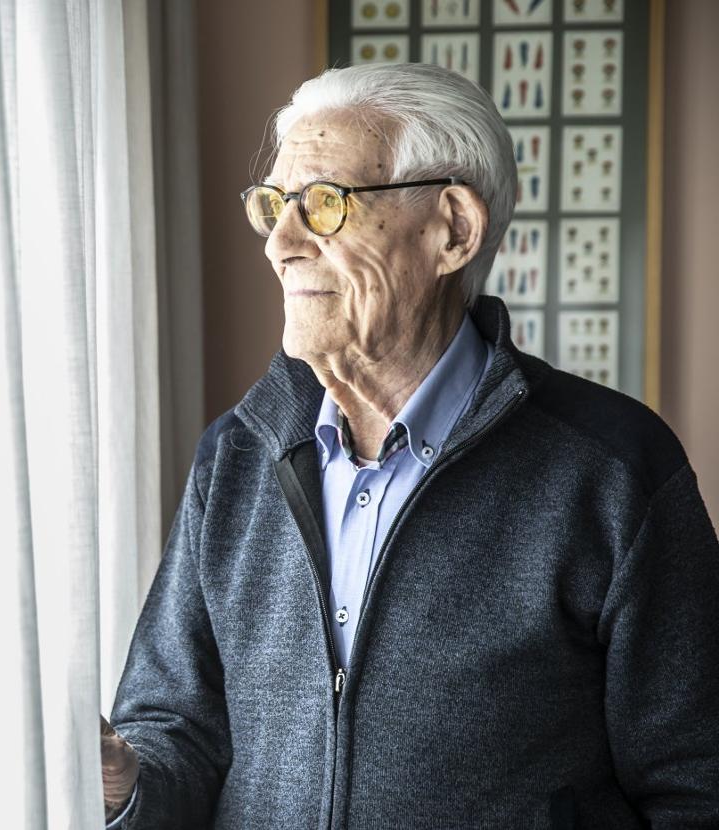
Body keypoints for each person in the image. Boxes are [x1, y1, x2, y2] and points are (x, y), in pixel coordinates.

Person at [99, 62, 719, 828]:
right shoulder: (236, 458)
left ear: (453, 228)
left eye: (323, 204)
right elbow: (177, 731)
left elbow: (695, 785)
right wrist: (125, 780)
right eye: (273, 207)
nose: (280, 245)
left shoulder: (615, 469)